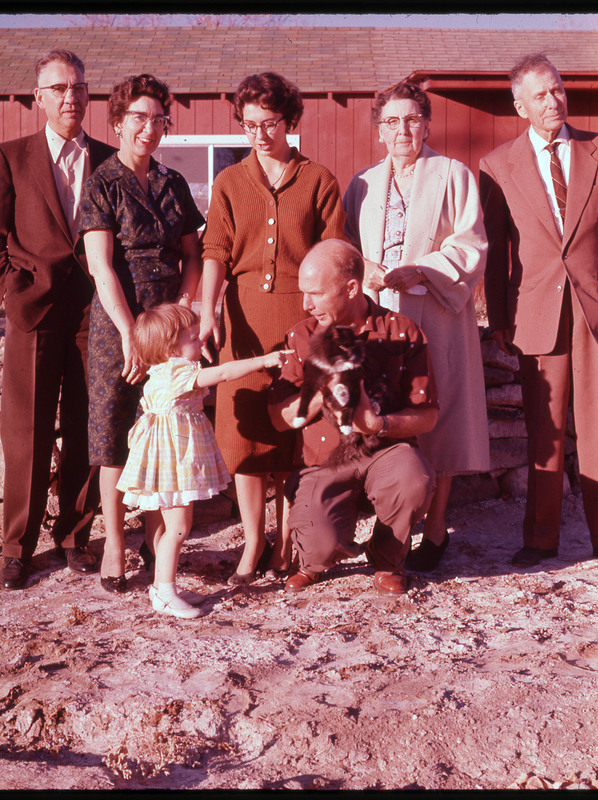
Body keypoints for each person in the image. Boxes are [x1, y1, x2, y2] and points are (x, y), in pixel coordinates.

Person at [479, 54, 598, 568]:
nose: (554, 101)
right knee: (543, 432)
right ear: (520, 105)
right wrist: (499, 318)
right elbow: (497, 251)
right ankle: (541, 539)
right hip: (535, 314)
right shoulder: (497, 166)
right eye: (541, 95)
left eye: (558, 89)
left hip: (597, 307)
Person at [0, 49, 116, 590]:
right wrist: (10, 288)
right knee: (27, 432)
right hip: (33, 309)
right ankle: (17, 546)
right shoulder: (11, 156)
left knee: (86, 425)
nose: (70, 97)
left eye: (78, 87)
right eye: (58, 89)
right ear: (39, 98)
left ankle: (75, 535)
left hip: (93, 312)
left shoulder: (108, 158)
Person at [199, 72, 346, 584]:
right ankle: (252, 543)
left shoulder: (319, 179)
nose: (260, 134)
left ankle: (286, 544)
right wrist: (206, 310)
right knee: (245, 438)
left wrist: (325, 322)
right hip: (242, 320)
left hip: (298, 317)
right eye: (249, 124)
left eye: (270, 123)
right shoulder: (228, 182)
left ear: (291, 121)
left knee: (290, 434)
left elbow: (332, 254)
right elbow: (214, 252)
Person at [344, 81, 490, 572]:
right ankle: (393, 525)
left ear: (426, 124)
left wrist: (423, 268)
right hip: (382, 314)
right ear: (379, 129)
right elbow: (345, 247)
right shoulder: (361, 184)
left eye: (411, 119)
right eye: (391, 121)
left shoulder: (453, 174)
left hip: (438, 312)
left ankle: (438, 524)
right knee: (393, 410)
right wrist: (363, 269)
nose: (401, 129)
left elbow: (470, 244)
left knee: (438, 411)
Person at [79, 74, 205, 593]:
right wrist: (131, 333)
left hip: (170, 328)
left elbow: (193, 257)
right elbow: (101, 267)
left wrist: (181, 311)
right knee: (112, 437)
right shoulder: (102, 182)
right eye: (139, 118)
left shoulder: (174, 184)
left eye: (159, 119)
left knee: (166, 432)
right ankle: (113, 544)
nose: (150, 128)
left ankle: (158, 547)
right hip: (118, 325)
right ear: (117, 122)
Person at [268, 239, 439, 595]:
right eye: (304, 293)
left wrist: (381, 424)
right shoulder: (300, 337)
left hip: (385, 453)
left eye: (315, 293)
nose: (306, 304)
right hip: (324, 462)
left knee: (413, 479)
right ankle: (313, 561)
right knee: (320, 546)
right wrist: (320, 392)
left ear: (351, 288)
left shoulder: (401, 331)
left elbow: (428, 416)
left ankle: (388, 557)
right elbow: (279, 418)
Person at [117, 303, 291, 618]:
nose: (201, 343)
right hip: (173, 463)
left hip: (173, 459)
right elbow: (223, 373)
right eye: (194, 338)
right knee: (179, 528)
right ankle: (165, 593)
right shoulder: (176, 371)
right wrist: (263, 361)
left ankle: (162, 586)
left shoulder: (165, 371)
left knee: (177, 526)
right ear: (171, 347)